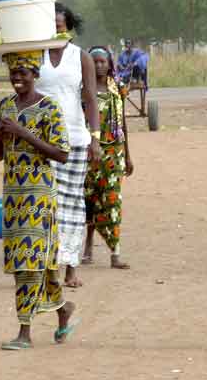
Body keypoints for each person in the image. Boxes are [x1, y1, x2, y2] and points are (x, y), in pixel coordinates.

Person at [0, 50, 78, 350]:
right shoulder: (4, 107)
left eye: (23, 73)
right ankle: (63, 309)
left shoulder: (49, 107)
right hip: (14, 195)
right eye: (13, 73)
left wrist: (23, 132)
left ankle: (24, 332)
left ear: (34, 76)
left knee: (30, 262)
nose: (17, 78)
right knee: (31, 262)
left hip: (39, 195)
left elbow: (62, 154)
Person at [36, 3, 100, 288]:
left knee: (73, 202)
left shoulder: (81, 57)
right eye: (51, 26)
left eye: (60, 26)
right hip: (41, 139)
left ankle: (71, 267)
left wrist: (95, 138)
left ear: (68, 27)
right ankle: (48, 264)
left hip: (74, 138)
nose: (56, 30)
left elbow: (90, 99)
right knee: (46, 203)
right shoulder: (35, 55)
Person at [82, 46, 133, 269]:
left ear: (110, 64)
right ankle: (88, 245)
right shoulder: (83, 91)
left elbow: (123, 122)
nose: (99, 65)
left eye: (103, 62)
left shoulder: (118, 89)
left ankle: (115, 253)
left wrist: (128, 156)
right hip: (89, 152)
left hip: (114, 151)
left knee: (112, 201)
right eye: (95, 62)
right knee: (89, 200)